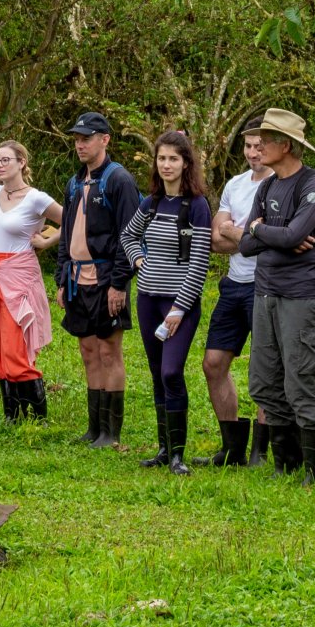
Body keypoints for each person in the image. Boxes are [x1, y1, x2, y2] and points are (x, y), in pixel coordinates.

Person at [237, 108, 315, 483]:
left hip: (301, 294)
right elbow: (246, 244)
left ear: (287, 144)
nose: (258, 145)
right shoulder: (266, 186)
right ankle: (286, 461)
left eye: (266, 138)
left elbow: (295, 237)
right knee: (263, 381)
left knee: (299, 380)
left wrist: (265, 230)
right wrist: (270, 233)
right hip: (265, 293)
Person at [120, 131, 214, 476]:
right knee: (157, 374)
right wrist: (138, 260)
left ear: (186, 163)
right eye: (162, 158)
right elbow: (128, 235)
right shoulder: (153, 202)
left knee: (172, 371)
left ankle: (178, 455)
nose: (167, 165)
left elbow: (199, 264)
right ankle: (163, 449)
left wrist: (178, 309)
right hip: (148, 299)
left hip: (179, 305)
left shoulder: (197, 206)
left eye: (174, 158)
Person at [58, 112, 143, 450]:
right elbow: (66, 232)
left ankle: (112, 432)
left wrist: (119, 283)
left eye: (87, 138)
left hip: (107, 276)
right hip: (78, 278)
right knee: (88, 350)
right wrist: (62, 277)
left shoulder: (118, 180)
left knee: (109, 350)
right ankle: (94, 428)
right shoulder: (75, 182)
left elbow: (131, 234)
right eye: (77, 138)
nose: (80, 144)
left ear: (105, 139)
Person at [0, 140, 64, 420]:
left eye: (5, 160)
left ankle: (38, 417)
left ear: (21, 162)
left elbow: (70, 219)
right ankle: (12, 414)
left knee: (15, 346)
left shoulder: (36, 198)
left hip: (19, 277)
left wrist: (47, 241)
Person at [200, 128, 271, 467]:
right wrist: (245, 234)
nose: (253, 152)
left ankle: (260, 450)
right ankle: (232, 449)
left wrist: (235, 231)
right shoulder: (235, 184)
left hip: (267, 285)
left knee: (265, 366)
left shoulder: (281, 187)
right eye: (248, 145)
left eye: (260, 146)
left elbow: (270, 240)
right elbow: (216, 241)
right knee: (213, 364)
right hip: (233, 283)